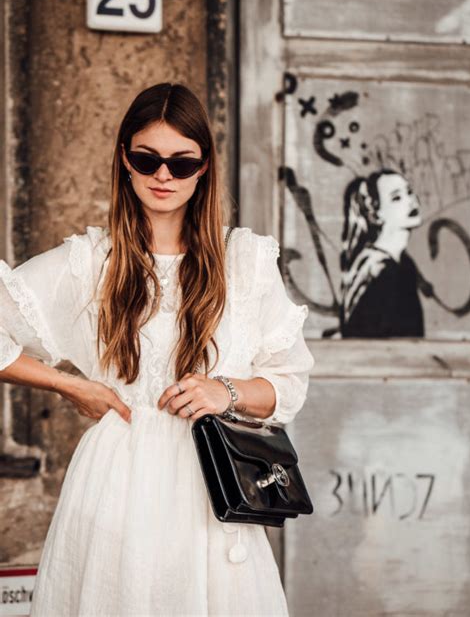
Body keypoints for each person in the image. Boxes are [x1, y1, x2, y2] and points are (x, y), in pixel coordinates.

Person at [0, 82, 314, 616]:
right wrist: (71, 384)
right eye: (147, 159)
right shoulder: (90, 262)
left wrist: (226, 390)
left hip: (214, 492)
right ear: (125, 160)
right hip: (119, 485)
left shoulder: (245, 262)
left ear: (206, 166)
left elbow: (288, 382)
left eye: (181, 163)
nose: (163, 176)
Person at [340, 168, 424, 338]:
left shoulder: (404, 264)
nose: (410, 201)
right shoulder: (379, 269)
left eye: (409, 192)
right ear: (376, 214)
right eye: (396, 198)